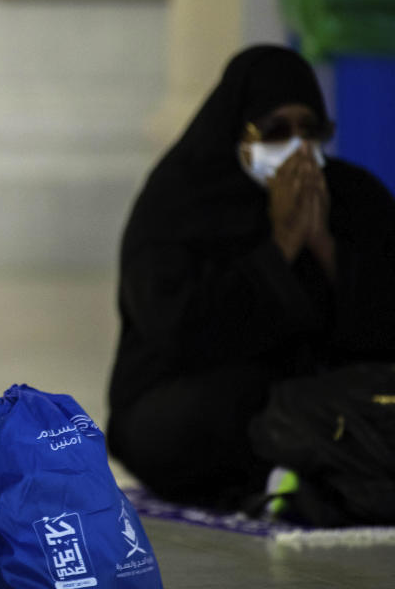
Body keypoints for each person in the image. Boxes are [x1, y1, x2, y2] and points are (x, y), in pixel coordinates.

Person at [106, 45, 395, 511]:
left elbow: (381, 329)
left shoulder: (354, 198)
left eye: (311, 130)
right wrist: (280, 247)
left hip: (321, 397)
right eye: (276, 130)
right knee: (221, 410)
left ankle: (312, 476)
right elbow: (183, 332)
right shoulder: (178, 204)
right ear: (235, 130)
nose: (298, 148)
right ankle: (300, 477)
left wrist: (325, 250)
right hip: (197, 396)